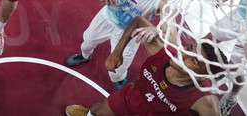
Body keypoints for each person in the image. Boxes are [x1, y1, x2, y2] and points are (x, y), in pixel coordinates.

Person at [64, 16, 224, 116]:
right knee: (100, 111)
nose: (183, 55)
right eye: (188, 49)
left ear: (203, 76)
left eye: (194, 60)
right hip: (136, 94)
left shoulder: (205, 102)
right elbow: (138, 21)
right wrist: (117, 52)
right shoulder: (162, 52)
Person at [64, 0, 180, 90]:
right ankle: (85, 56)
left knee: (117, 71)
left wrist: (156, 30)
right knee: (86, 43)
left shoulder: (165, 0)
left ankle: (120, 78)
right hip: (107, 17)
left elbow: (171, 35)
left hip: (129, 34)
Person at [206, 0, 247, 115]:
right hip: (239, 14)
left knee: (235, 69)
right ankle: (194, 73)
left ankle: (230, 98)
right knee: (206, 41)